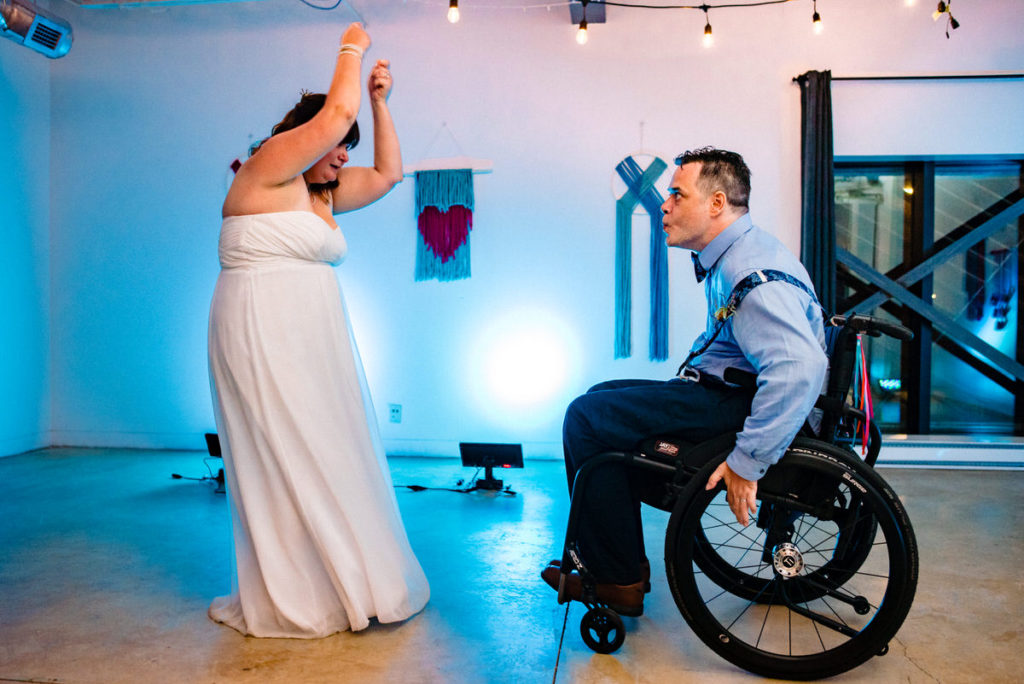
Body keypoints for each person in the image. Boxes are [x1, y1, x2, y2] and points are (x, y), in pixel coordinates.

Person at [207, 23, 429, 638]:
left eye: (345, 147)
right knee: (282, 453)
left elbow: (387, 174)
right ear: (303, 141)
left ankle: (342, 581)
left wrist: (381, 103)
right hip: (258, 329)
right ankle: (293, 593)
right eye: (336, 146)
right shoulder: (269, 167)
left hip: (313, 339)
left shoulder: (322, 193)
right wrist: (351, 49)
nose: (342, 155)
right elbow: (333, 115)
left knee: (327, 448)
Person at [541, 147, 827, 617]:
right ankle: (618, 565)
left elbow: (800, 369)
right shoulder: (740, 251)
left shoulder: (750, 274)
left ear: (717, 204)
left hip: (740, 403)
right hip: (730, 389)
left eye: (676, 193)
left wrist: (747, 462)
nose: (664, 204)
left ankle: (617, 578)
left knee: (586, 418)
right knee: (599, 400)